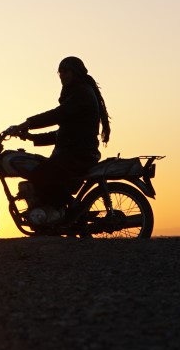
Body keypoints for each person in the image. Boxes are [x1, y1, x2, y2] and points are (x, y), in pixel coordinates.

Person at [9, 56, 111, 226]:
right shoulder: (76, 93)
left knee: (39, 174)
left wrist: (29, 123)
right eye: (60, 72)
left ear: (75, 72)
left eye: (65, 71)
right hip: (75, 150)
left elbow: (58, 115)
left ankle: (74, 206)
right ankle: (53, 214)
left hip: (79, 153)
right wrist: (31, 137)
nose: (62, 75)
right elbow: (62, 134)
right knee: (41, 170)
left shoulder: (81, 93)